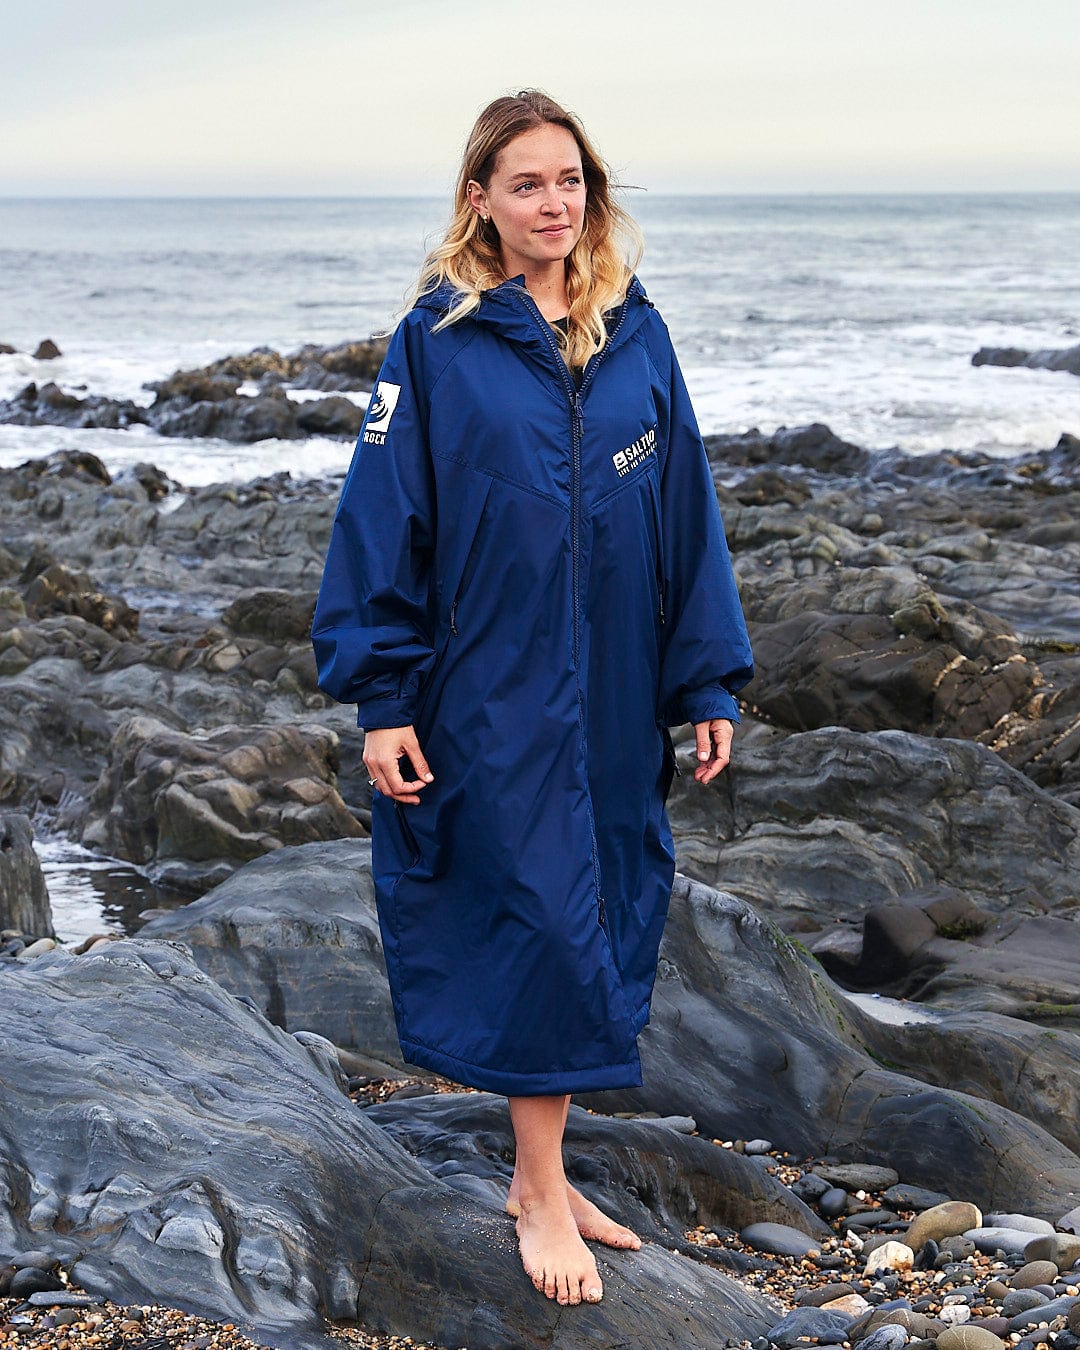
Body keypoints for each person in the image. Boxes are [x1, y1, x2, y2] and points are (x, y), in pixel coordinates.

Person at [311, 89, 754, 1309]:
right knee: (537, 912)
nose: (553, 204)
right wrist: (382, 697)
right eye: (526, 185)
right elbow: (380, 525)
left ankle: (536, 1175)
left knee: (607, 899)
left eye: (570, 182)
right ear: (480, 202)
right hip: (488, 684)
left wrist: (705, 674)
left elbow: (687, 519)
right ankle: (542, 1184)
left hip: (613, 680)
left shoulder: (638, 337)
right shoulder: (435, 346)